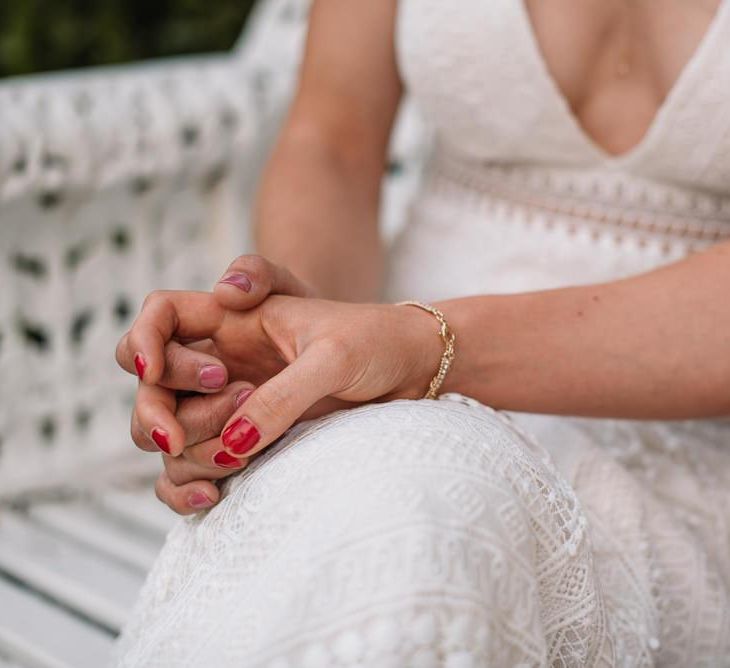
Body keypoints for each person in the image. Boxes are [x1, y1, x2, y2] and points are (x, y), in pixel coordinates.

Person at [112, 0, 730, 665]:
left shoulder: (411, 357)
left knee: (422, 500)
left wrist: (417, 350)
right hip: (382, 382)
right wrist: (294, 348)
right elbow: (333, 137)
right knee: (399, 496)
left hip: (685, 439)